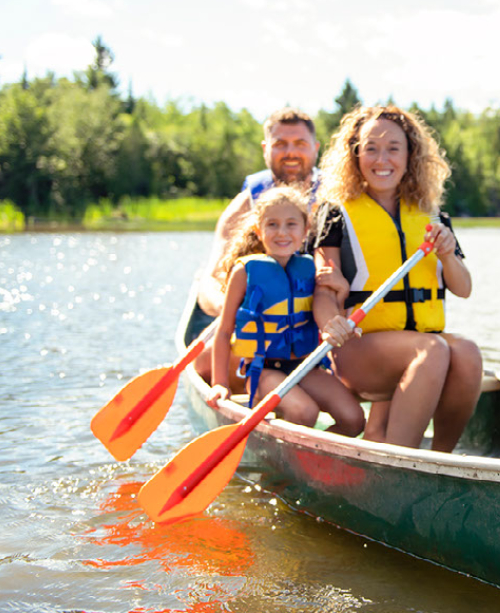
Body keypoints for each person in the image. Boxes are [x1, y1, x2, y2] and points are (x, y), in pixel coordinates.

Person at [312, 104, 483, 451]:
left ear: (410, 155)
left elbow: (462, 288)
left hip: (419, 345)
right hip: (359, 348)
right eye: (370, 148)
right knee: (432, 348)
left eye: (393, 148)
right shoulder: (336, 213)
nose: (382, 159)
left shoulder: (433, 215)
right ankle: (402, 461)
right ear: (355, 153)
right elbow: (324, 287)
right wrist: (331, 323)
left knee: (466, 353)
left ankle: (441, 460)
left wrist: (448, 254)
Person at [208, 185, 364, 436]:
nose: (282, 232)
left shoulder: (310, 268)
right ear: (259, 231)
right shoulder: (244, 272)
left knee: (354, 419)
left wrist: (342, 291)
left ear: (305, 231)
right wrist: (219, 384)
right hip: (264, 370)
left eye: (291, 224)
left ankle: (316, 461)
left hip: (306, 366)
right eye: (272, 225)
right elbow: (225, 331)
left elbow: (332, 320)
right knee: (305, 412)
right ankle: (287, 466)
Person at [197, 107, 322, 318]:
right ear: (265, 149)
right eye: (280, 144)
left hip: (317, 312)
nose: (290, 152)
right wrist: (228, 311)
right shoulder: (247, 203)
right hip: (259, 316)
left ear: (316, 148)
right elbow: (211, 280)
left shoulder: (334, 197)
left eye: (300, 144)